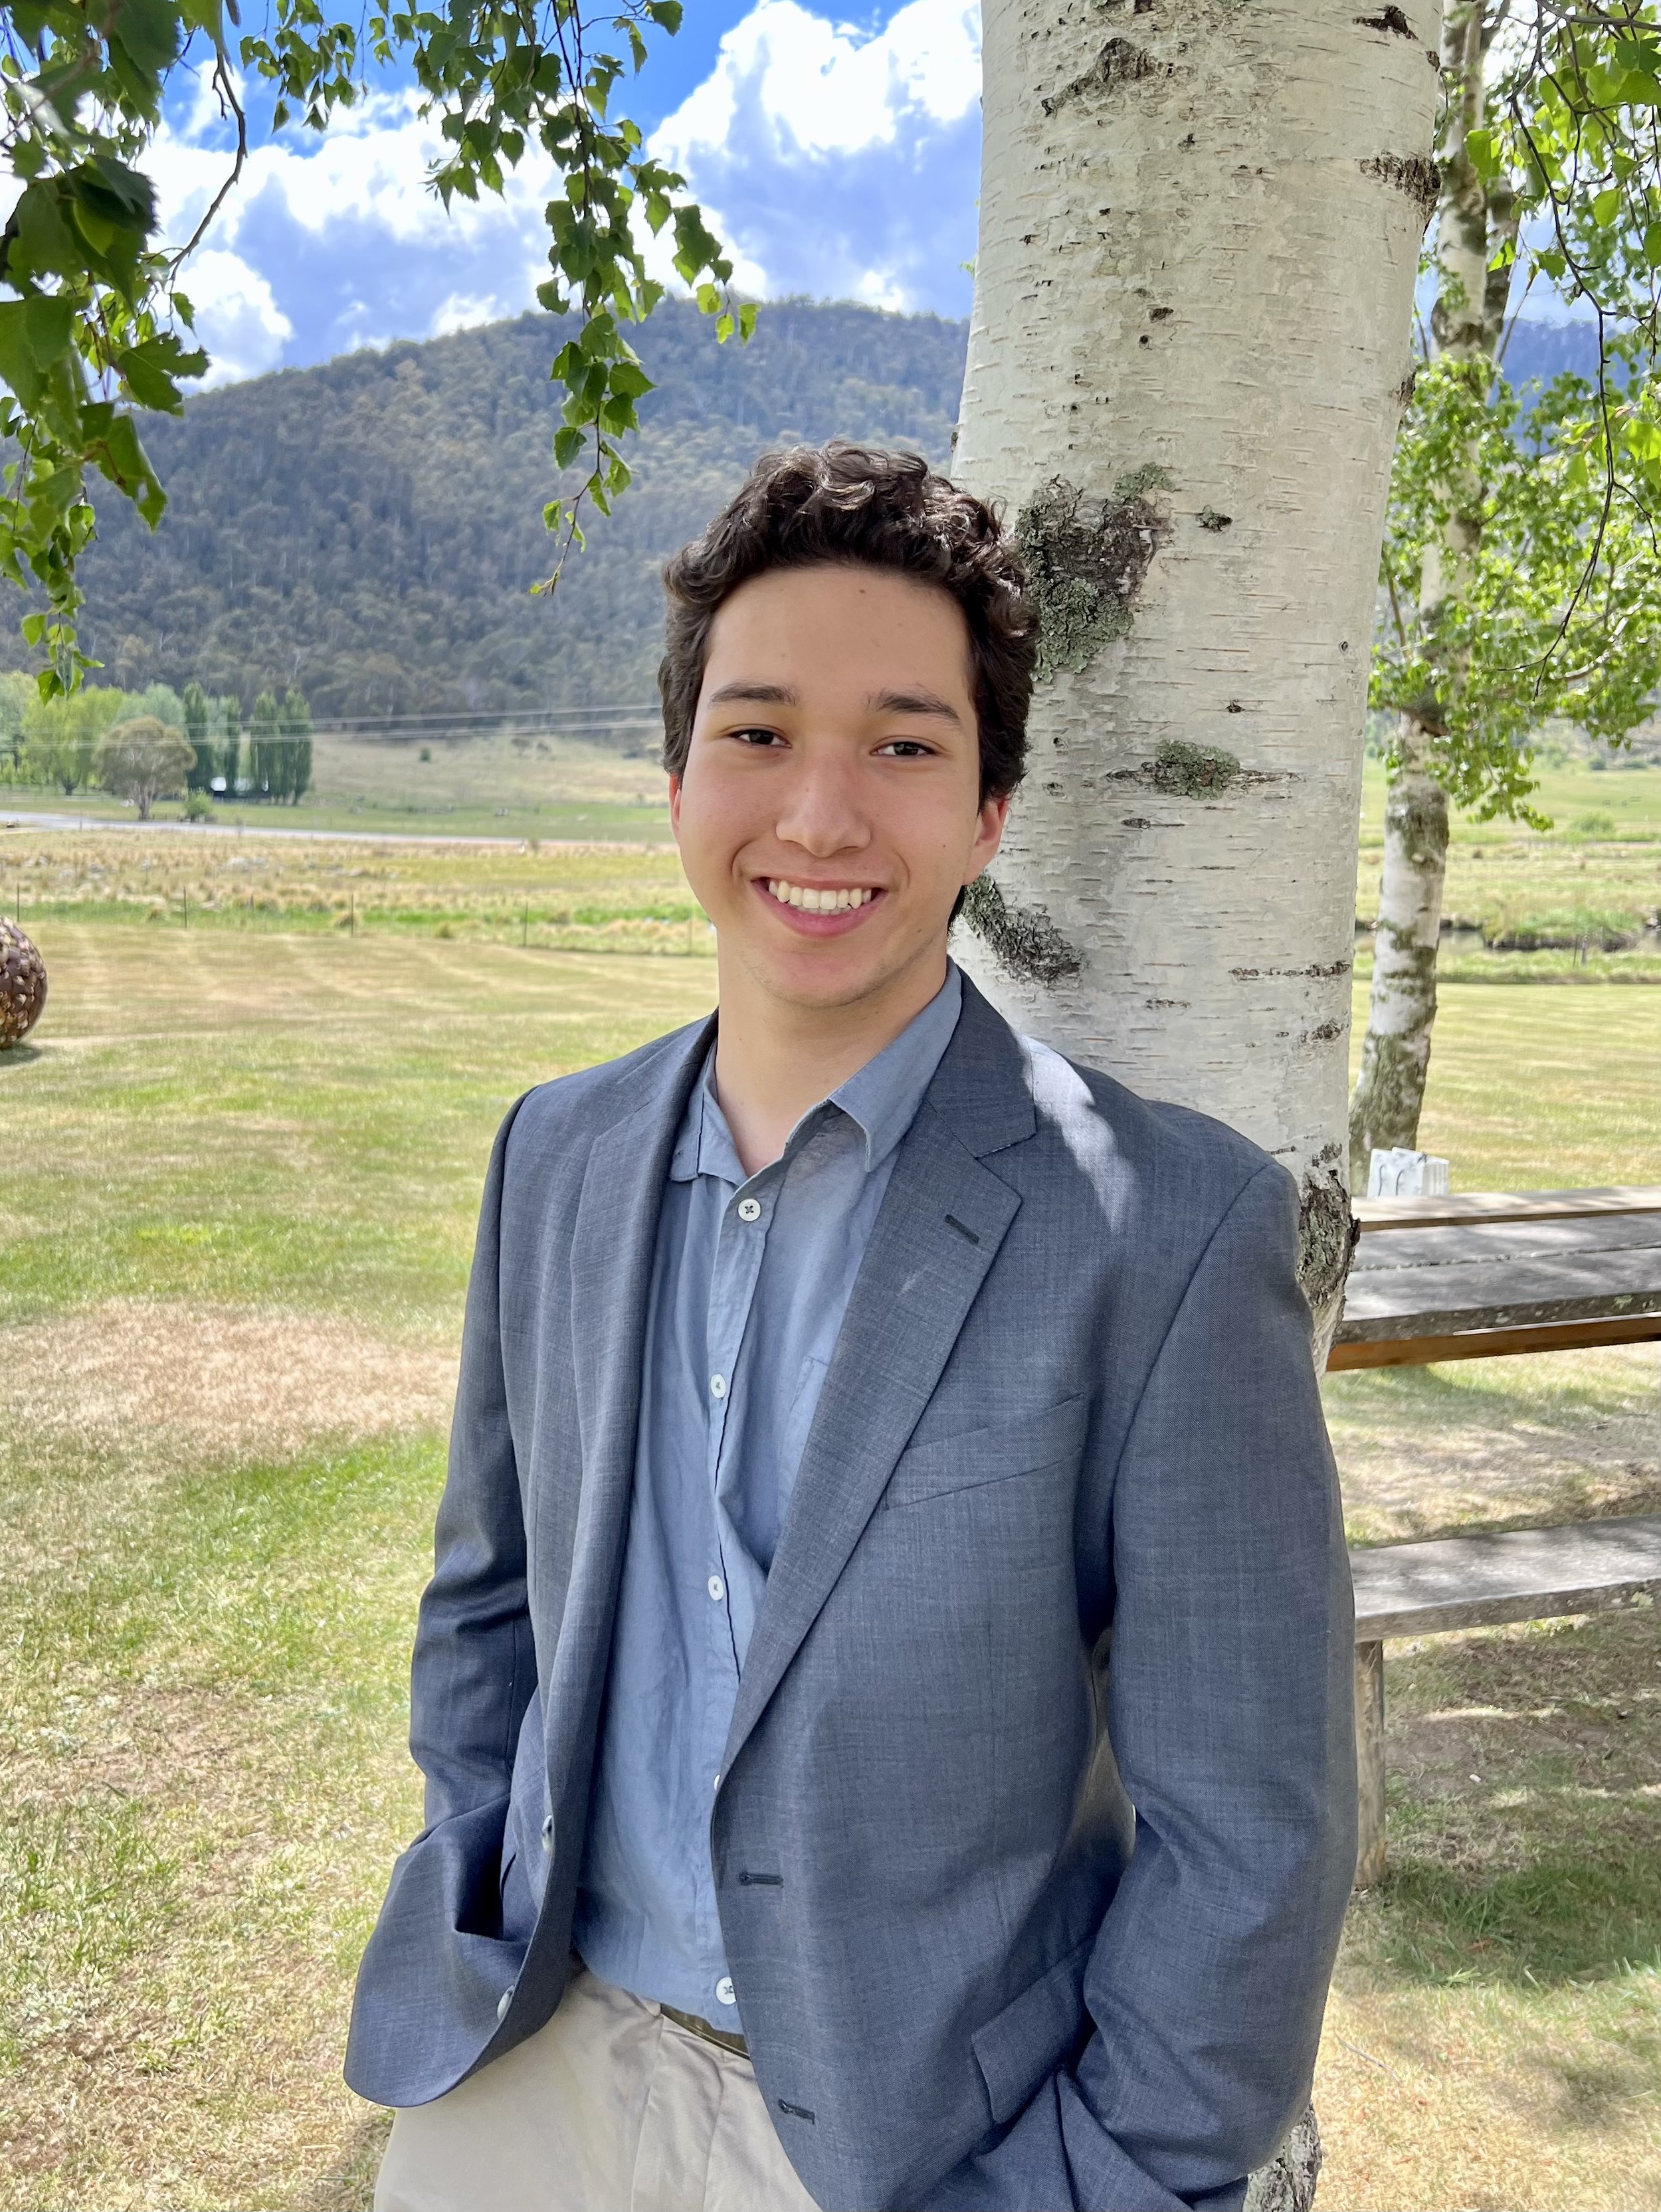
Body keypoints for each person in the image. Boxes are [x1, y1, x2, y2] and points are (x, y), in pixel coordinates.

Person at [347, 442, 1356, 2212]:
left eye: (902, 745)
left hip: (919, 2155)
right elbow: (487, 1599)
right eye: (757, 731)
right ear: (676, 776)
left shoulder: (1168, 1228)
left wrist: (1098, 2180)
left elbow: (1250, 1832)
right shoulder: (554, 1154)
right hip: (529, 2081)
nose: (819, 815)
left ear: (988, 811)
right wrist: (477, 1863)